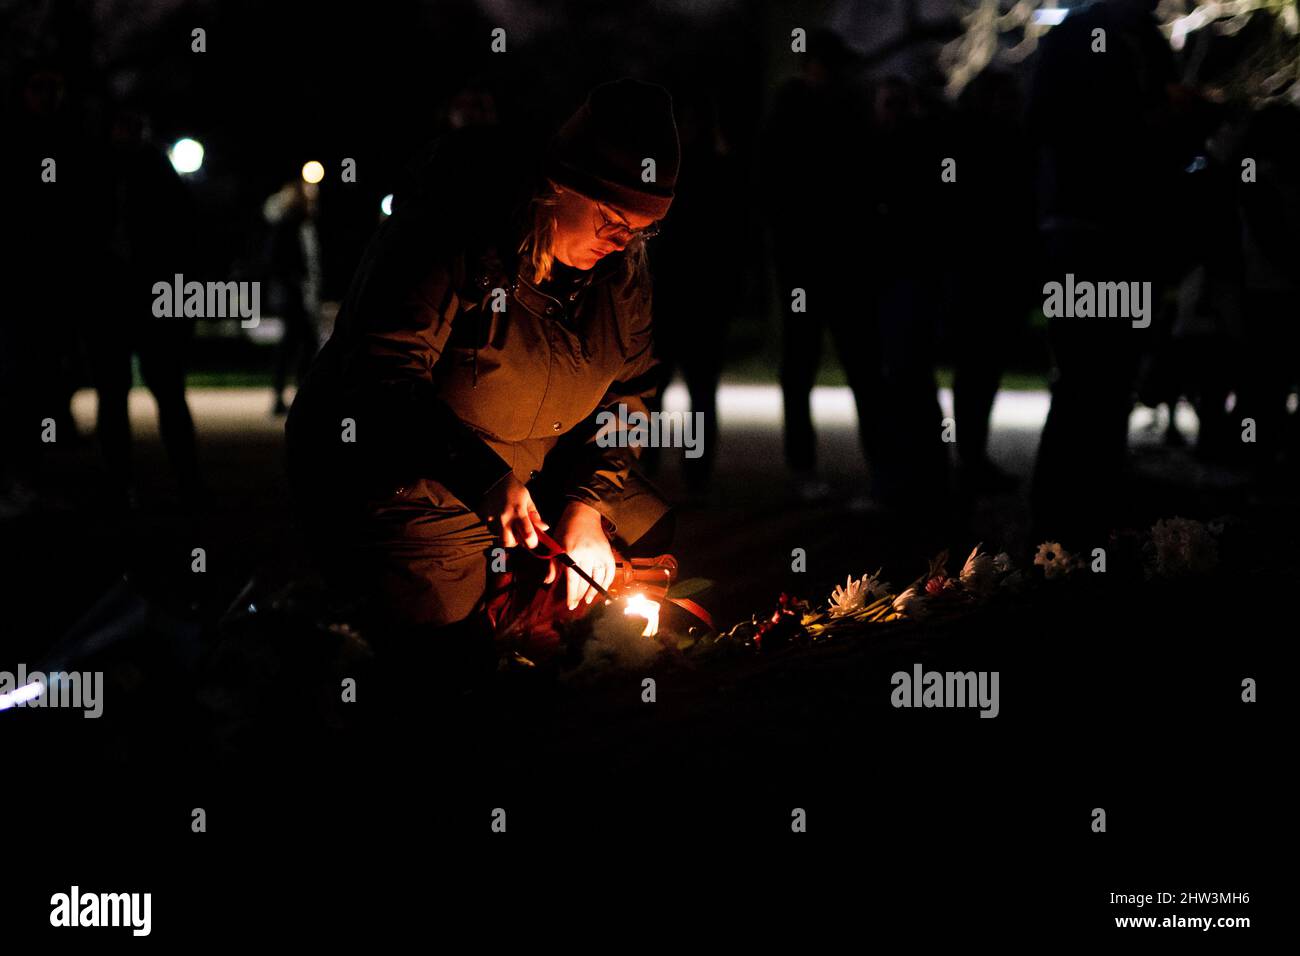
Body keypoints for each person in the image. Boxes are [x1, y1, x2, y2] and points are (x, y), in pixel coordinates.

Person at [286, 79, 679, 648]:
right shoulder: (451, 230)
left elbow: (631, 395)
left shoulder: (621, 274)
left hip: (528, 469)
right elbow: (380, 376)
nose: (622, 243)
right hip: (404, 479)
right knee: (447, 641)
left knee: (645, 536)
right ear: (560, 184)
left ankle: (562, 652)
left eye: (642, 232)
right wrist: (485, 478)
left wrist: (588, 504)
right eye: (613, 220)